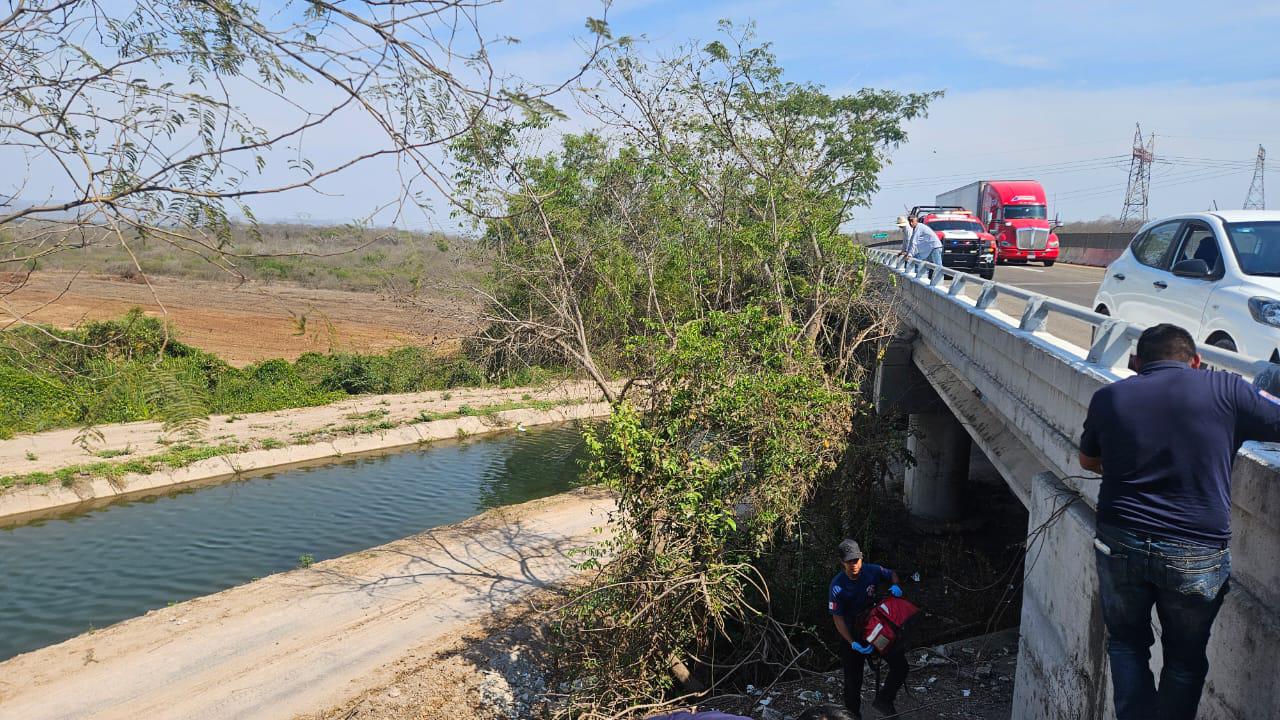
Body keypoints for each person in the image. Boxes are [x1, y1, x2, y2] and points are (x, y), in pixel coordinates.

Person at [1078, 323, 1280, 720]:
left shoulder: (1110, 397)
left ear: (1137, 363)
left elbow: (1088, 460)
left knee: (1126, 644)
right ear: (1196, 361)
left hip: (1122, 540)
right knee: (1184, 661)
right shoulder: (1228, 390)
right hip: (1196, 549)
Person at [827, 539, 908, 719]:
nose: (854, 564)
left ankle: (885, 700)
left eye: (856, 560)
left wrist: (895, 585)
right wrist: (853, 643)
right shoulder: (837, 586)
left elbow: (891, 574)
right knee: (852, 683)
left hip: (874, 630)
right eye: (849, 561)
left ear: (861, 558)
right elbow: (838, 619)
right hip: (852, 635)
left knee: (900, 665)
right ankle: (853, 716)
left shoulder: (872, 570)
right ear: (842, 562)